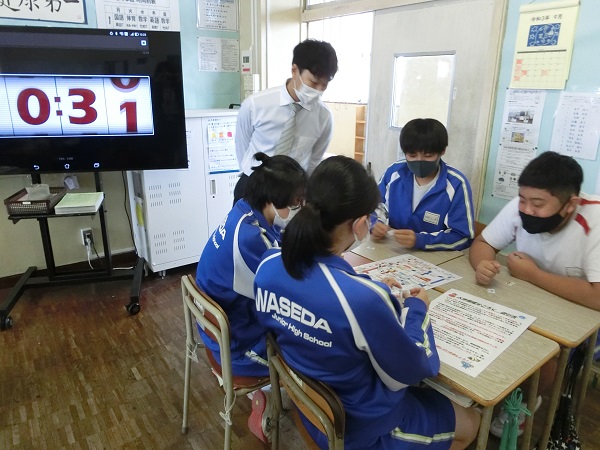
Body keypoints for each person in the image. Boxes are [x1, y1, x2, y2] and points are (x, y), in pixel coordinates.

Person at [254, 156, 480, 450]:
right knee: (471, 422)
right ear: (361, 224)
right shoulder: (362, 300)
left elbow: (316, 293)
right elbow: (414, 371)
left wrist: (363, 285)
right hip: (361, 430)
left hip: (311, 407)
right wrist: (417, 309)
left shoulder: (268, 264)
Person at [469, 150, 600, 437]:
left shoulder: (595, 219)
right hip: (528, 299)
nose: (526, 209)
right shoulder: (523, 204)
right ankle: (487, 392)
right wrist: (482, 265)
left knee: (544, 356)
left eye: (538, 204)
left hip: (579, 313)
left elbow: (597, 296)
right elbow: (483, 243)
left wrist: (532, 275)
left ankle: (526, 401)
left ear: (570, 204)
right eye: (523, 199)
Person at [195, 152, 307, 443]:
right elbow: (288, 295)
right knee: (305, 349)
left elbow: (276, 246)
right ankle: (269, 397)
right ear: (274, 199)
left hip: (220, 323)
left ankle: (272, 392)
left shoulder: (244, 210)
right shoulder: (249, 240)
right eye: (295, 202)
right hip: (235, 345)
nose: (298, 207)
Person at [233, 39, 338, 203]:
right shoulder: (255, 105)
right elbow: (242, 147)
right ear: (294, 70)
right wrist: (252, 175)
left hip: (292, 193)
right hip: (252, 185)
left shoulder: (324, 117)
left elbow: (313, 162)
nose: (318, 90)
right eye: (313, 82)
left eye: (324, 85)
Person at [372, 118, 475, 251]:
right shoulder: (394, 173)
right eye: (412, 155)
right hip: (393, 250)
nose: (419, 161)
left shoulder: (456, 184)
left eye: (428, 155)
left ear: (442, 151)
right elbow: (375, 207)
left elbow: (462, 236)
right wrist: (375, 223)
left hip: (435, 256)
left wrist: (421, 240)